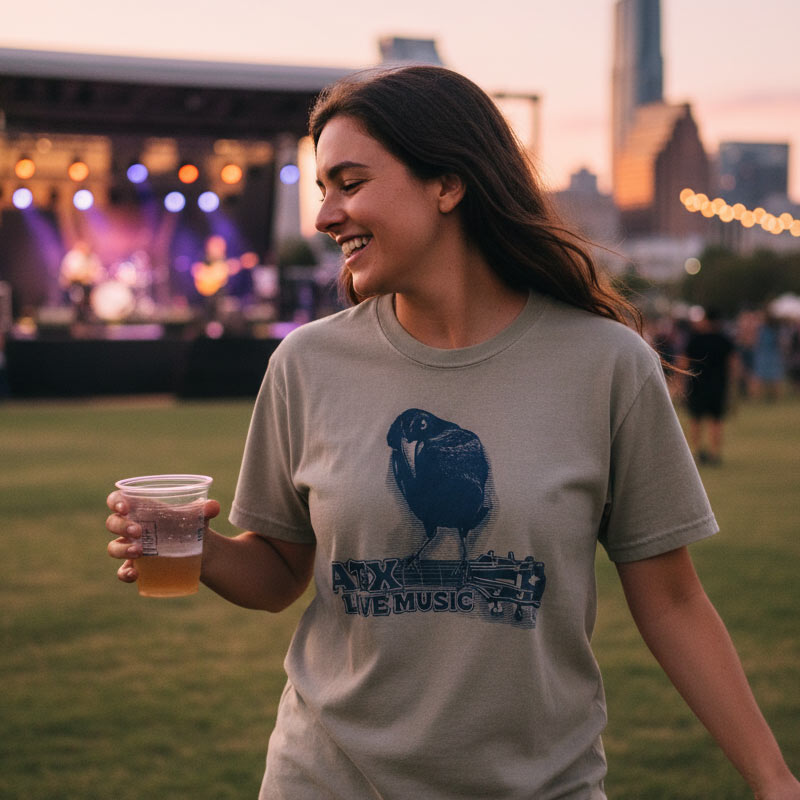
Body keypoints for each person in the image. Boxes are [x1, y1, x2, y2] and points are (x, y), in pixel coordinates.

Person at [106, 66, 800, 800]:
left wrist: (773, 779)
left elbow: (672, 601)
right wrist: (201, 549)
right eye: (322, 189)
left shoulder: (606, 365)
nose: (325, 216)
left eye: (349, 182)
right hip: (326, 782)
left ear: (447, 184)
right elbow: (281, 572)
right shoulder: (306, 363)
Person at [680, 308, 738, 465]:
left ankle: (697, 452)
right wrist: (733, 384)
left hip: (697, 385)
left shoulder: (695, 339)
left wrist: (680, 382)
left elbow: (683, 362)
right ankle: (715, 454)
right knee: (716, 420)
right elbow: (733, 363)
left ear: (706, 320)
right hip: (718, 385)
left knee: (695, 420)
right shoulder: (724, 339)